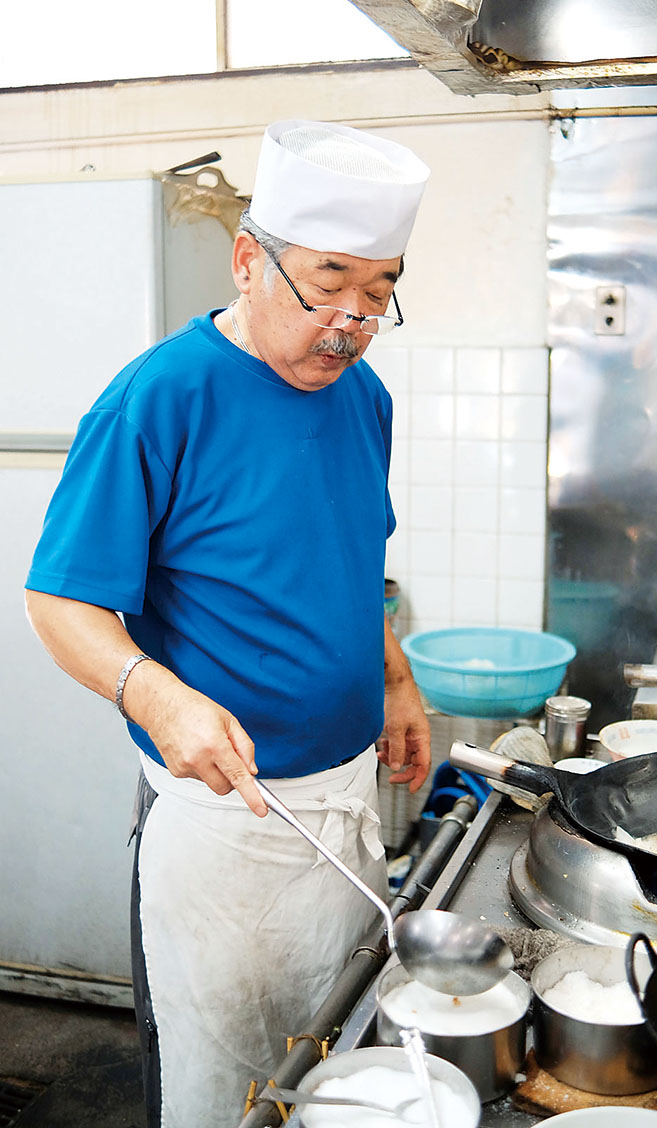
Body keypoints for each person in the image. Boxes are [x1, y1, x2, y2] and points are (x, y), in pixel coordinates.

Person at [24, 119, 432, 1128]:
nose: (350, 321)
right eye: (327, 284)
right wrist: (158, 697)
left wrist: (392, 682)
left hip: (339, 802)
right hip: (225, 825)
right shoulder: (159, 399)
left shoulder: (362, 397)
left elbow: (353, 558)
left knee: (330, 1058)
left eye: (378, 293)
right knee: (225, 1091)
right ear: (249, 261)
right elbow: (60, 601)